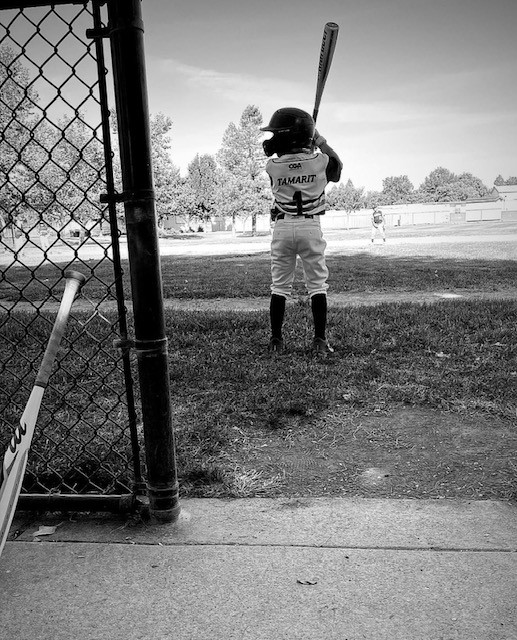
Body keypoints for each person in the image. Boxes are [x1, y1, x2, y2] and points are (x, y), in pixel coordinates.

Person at [261, 107, 342, 357]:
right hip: (310, 227)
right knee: (317, 285)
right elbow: (337, 168)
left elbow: (292, 164)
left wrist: (307, 146)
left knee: (279, 286)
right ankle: (319, 340)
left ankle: (276, 340)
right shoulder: (320, 161)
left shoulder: (272, 166)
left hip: (283, 228)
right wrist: (319, 141)